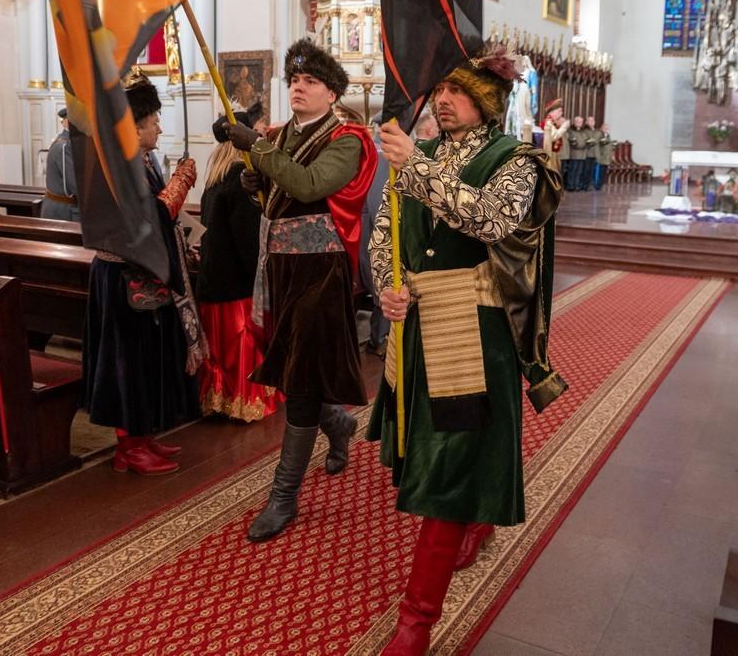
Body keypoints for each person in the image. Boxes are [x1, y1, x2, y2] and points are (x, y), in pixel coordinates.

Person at [368, 45, 566, 654]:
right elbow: (385, 230)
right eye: (442, 90)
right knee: (432, 454)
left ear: (488, 101)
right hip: (417, 326)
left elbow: (489, 220)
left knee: (450, 468)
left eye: (459, 92)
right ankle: (474, 519)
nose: (445, 101)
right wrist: (387, 286)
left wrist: (416, 167)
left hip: (475, 337)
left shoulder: (519, 162)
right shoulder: (420, 153)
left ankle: (416, 622)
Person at [221, 38, 378, 542]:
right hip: (280, 267)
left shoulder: (348, 138)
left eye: (310, 81)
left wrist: (256, 147)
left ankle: (283, 497)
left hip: (320, 269)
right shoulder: (281, 134)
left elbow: (310, 186)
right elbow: (280, 193)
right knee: (291, 366)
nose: (298, 87)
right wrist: (256, 187)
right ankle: (338, 423)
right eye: (294, 80)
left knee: (303, 377)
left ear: (331, 93)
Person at [81, 75, 201, 475]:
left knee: (145, 359)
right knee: (127, 362)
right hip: (121, 279)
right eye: (154, 122)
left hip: (139, 275)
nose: (159, 129)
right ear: (133, 127)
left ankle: (142, 436)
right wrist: (181, 183)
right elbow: (146, 218)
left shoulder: (138, 160)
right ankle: (129, 446)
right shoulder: (116, 163)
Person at [196, 112, 278, 422]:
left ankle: (218, 400)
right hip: (237, 285)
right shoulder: (240, 178)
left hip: (212, 280)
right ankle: (244, 402)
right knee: (241, 346)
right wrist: (262, 272)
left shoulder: (213, 179)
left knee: (219, 350)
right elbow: (247, 237)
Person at [361, 115, 391, 357]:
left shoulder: (371, 151)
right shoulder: (382, 155)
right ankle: (379, 339)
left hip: (365, 230)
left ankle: (378, 338)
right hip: (376, 232)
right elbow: (378, 206)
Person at [41, 107, 81, 221]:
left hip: (66, 208)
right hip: (64, 211)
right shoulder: (65, 146)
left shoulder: (69, 142)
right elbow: (76, 184)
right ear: (67, 122)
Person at [540, 98, 566, 174]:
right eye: (559, 111)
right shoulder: (548, 122)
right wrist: (564, 126)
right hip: (549, 153)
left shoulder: (555, 122)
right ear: (552, 112)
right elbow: (554, 137)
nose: (561, 114)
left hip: (554, 153)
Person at [565, 116, 585, 191]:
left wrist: (586, 144)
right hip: (574, 154)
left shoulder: (583, 131)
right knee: (572, 171)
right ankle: (570, 186)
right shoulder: (571, 131)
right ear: (574, 122)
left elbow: (586, 140)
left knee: (579, 172)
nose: (579, 123)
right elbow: (572, 141)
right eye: (578, 121)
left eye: (581, 122)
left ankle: (576, 185)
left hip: (582, 155)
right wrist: (582, 145)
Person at [579, 116, 599, 191]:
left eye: (592, 120)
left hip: (594, 154)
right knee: (585, 170)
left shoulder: (597, 131)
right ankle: (583, 185)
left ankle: (589, 185)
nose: (591, 122)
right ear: (586, 122)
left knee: (591, 171)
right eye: (589, 121)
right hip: (587, 153)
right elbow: (584, 141)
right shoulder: (584, 131)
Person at [594, 120, 614, 190]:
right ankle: (597, 185)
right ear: (601, 128)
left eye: (607, 128)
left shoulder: (608, 136)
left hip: (606, 158)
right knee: (599, 172)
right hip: (601, 157)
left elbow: (610, 147)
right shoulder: (599, 135)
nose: (606, 129)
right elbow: (597, 145)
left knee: (603, 172)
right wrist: (597, 155)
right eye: (605, 128)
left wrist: (611, 155)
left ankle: (600, 184)